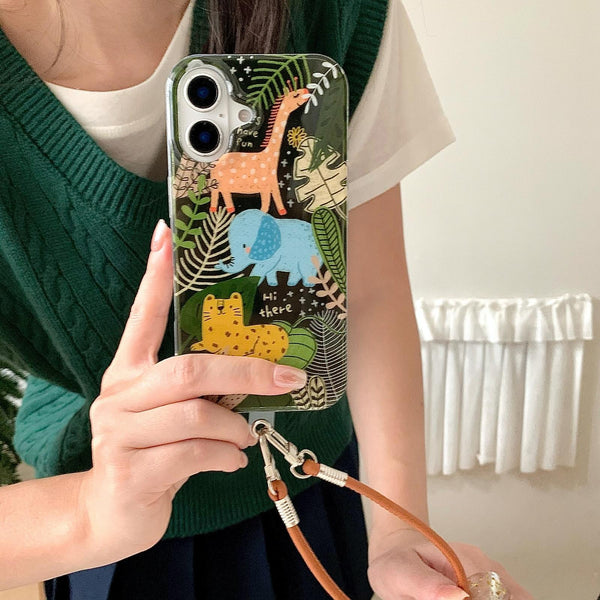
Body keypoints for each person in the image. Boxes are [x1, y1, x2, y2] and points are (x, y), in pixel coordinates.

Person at [0, 0, 532, 598]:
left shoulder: (338, 16)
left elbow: (367, 292)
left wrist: (398, 529)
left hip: (316, 481)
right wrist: (89, 512)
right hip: (103, 523)